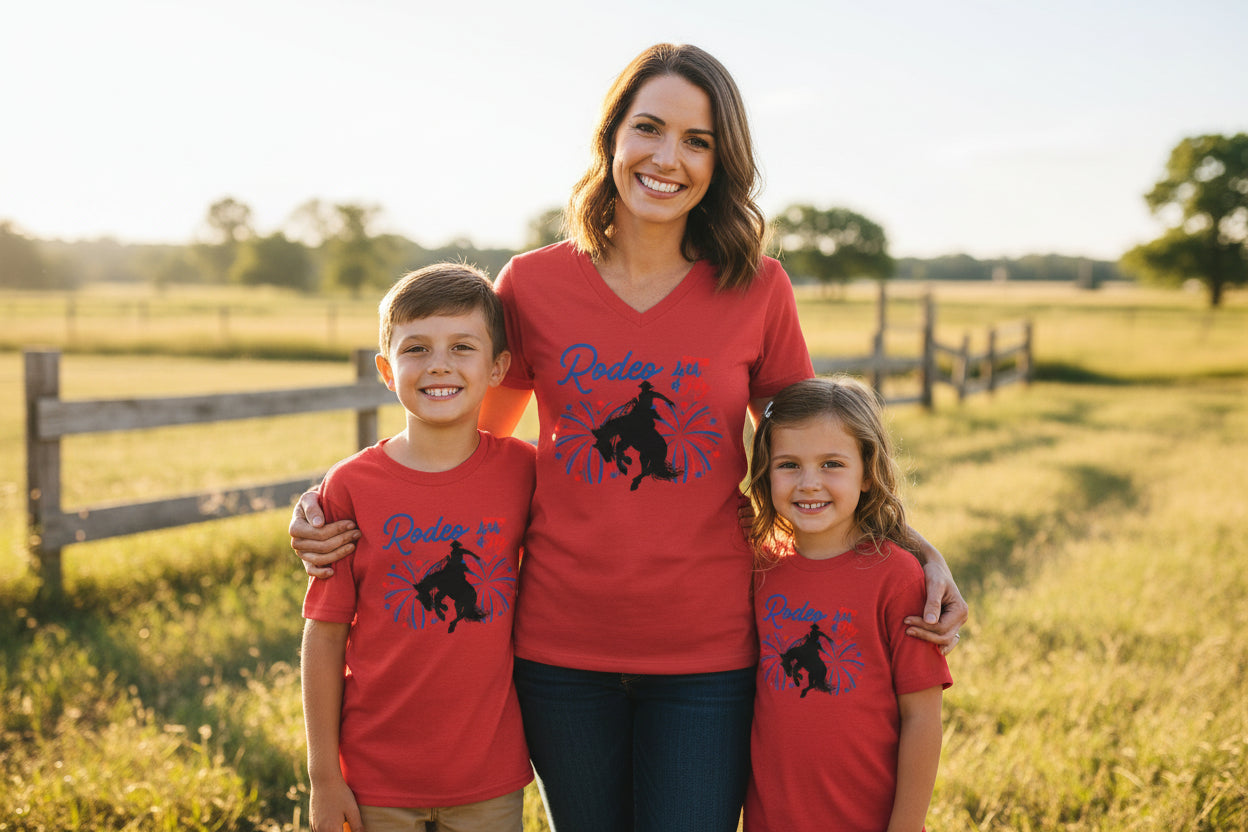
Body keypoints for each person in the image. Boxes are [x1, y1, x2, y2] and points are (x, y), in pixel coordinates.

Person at [292, 43, 967, 832]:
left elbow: (818, 460)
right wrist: (331, 500)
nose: (668, 158)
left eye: (698, 140)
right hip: (557, 653)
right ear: (612, 138)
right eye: (649, 128)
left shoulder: (757, 288)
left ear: (723, 161)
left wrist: (920, 550)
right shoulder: (532, 285)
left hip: (709, 654)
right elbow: (459, 451)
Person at [300, 264, 535, 832]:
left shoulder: (526, 473)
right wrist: (324, 779)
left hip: (489, 776)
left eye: (462, 347)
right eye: (416, 348)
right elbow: (325, 636)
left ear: (498, 367)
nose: (439, 364)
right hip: (375, 777)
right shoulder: (352, 485)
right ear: (386, 369)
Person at [743, 377, 952, 831]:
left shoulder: (897, 576)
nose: (809, 483)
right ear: (765, 471)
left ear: (867, 472)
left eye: (832, 463)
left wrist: (907, 826)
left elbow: (921, 717)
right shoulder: (758, 567)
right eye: (789, 465)